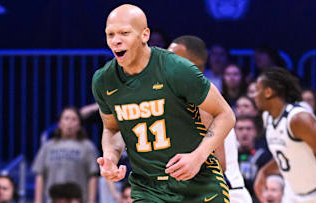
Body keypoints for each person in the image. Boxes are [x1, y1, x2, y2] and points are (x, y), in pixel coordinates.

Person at [92, 4, 235, 203]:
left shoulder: (175, 68)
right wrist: (110, 157)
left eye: (124, 33)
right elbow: (113, 129)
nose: (116, 41)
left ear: (144, 35)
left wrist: (198, 156)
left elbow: (225, 114)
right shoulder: (103, 80)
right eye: (110, 34)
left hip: (197, 184)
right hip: (148, 188)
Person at [168, 35, 252, 203]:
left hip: (225, 194)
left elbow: (219, 163)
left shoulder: (202, 96)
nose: (165, 63)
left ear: (190, 63)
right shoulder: (182, 95)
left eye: (172, 58)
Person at [253, 68, 316, 203]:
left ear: (268, 92)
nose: (254, 95)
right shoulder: (268, 118)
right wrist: (264, 171)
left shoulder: (299, 119)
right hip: (292, 195)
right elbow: (288, 154)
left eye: (257, 90)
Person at [32, 107, 98, 203]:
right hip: (52, 199)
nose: (69, 123)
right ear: (59, 123)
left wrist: (91, 201)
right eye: (66, 118)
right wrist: (37, 201)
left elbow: (93, 176)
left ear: (79, 125)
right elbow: (40, 175)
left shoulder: (88, 147)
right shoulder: (48, 146)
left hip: (78, 199)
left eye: (74, 119)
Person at [235, 115, 271, 203]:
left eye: (248, 128)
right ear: (234, 132)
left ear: (255, 131)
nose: (244, 132)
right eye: (240, 129)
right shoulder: (230, 155)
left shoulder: (264, 155)